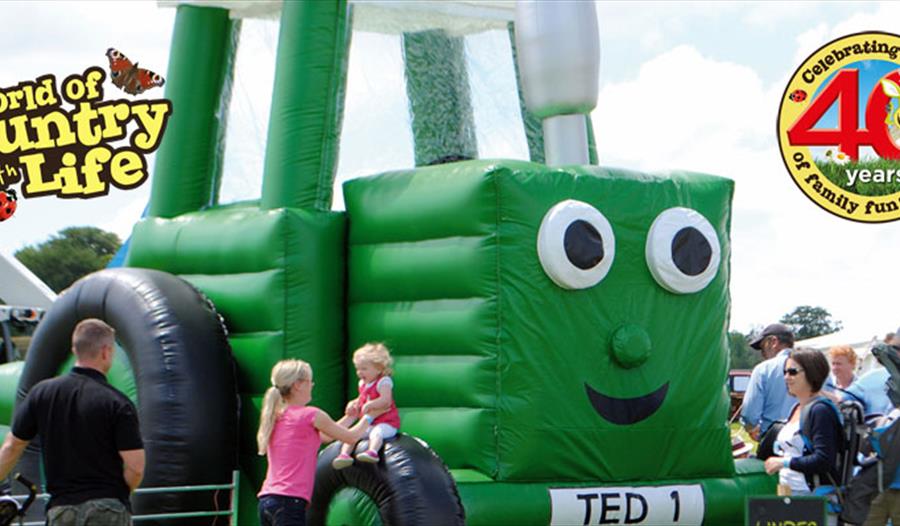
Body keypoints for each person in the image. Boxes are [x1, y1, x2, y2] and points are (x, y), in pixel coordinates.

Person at [0, 319, 145, 526]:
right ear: (106, 351)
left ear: (74, 350)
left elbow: (11, 446)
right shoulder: (117, 402)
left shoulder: (41, 393)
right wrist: (117, 496)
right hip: (108, 509)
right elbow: (136, 467)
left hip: (61, 510)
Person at [257, 359, 369, 526]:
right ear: (298, 385)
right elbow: (351, 437)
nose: (313, 385)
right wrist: (371, 416)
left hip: (267, 500)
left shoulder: (278, 417)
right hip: (289, 502)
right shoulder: (311, 415)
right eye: (310, 381)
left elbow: (327, 436)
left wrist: (351, 417)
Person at [764, 349, 843, 497]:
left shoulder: (821, 411)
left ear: (811, 373)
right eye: (785, 372)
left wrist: (784, 462)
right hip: (788, 492)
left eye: (793, 372)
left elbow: (824, 459)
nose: (787, 377)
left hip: (812, 497)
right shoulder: (796, 408)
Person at [332, 343, 401, 469]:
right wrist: (354, 403)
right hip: (370, 422)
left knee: (376, 433)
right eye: (357, 369)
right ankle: (344, 455)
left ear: (379, 368)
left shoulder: (384, 382)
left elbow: (386, 400)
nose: (359, 372)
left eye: (364, 369)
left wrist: (371, 404)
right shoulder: (363, 383)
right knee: (352, 434)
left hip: (387, 423)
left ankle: (372, 452)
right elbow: (363, 397)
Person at [742, 323, 797, 441]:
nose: (763, 354)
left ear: (773, 341)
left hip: (774, 440)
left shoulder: (763, 369)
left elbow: (750, 414)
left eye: (763, 348)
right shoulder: (815, 365)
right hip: (808, 442)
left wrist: (751, 428)